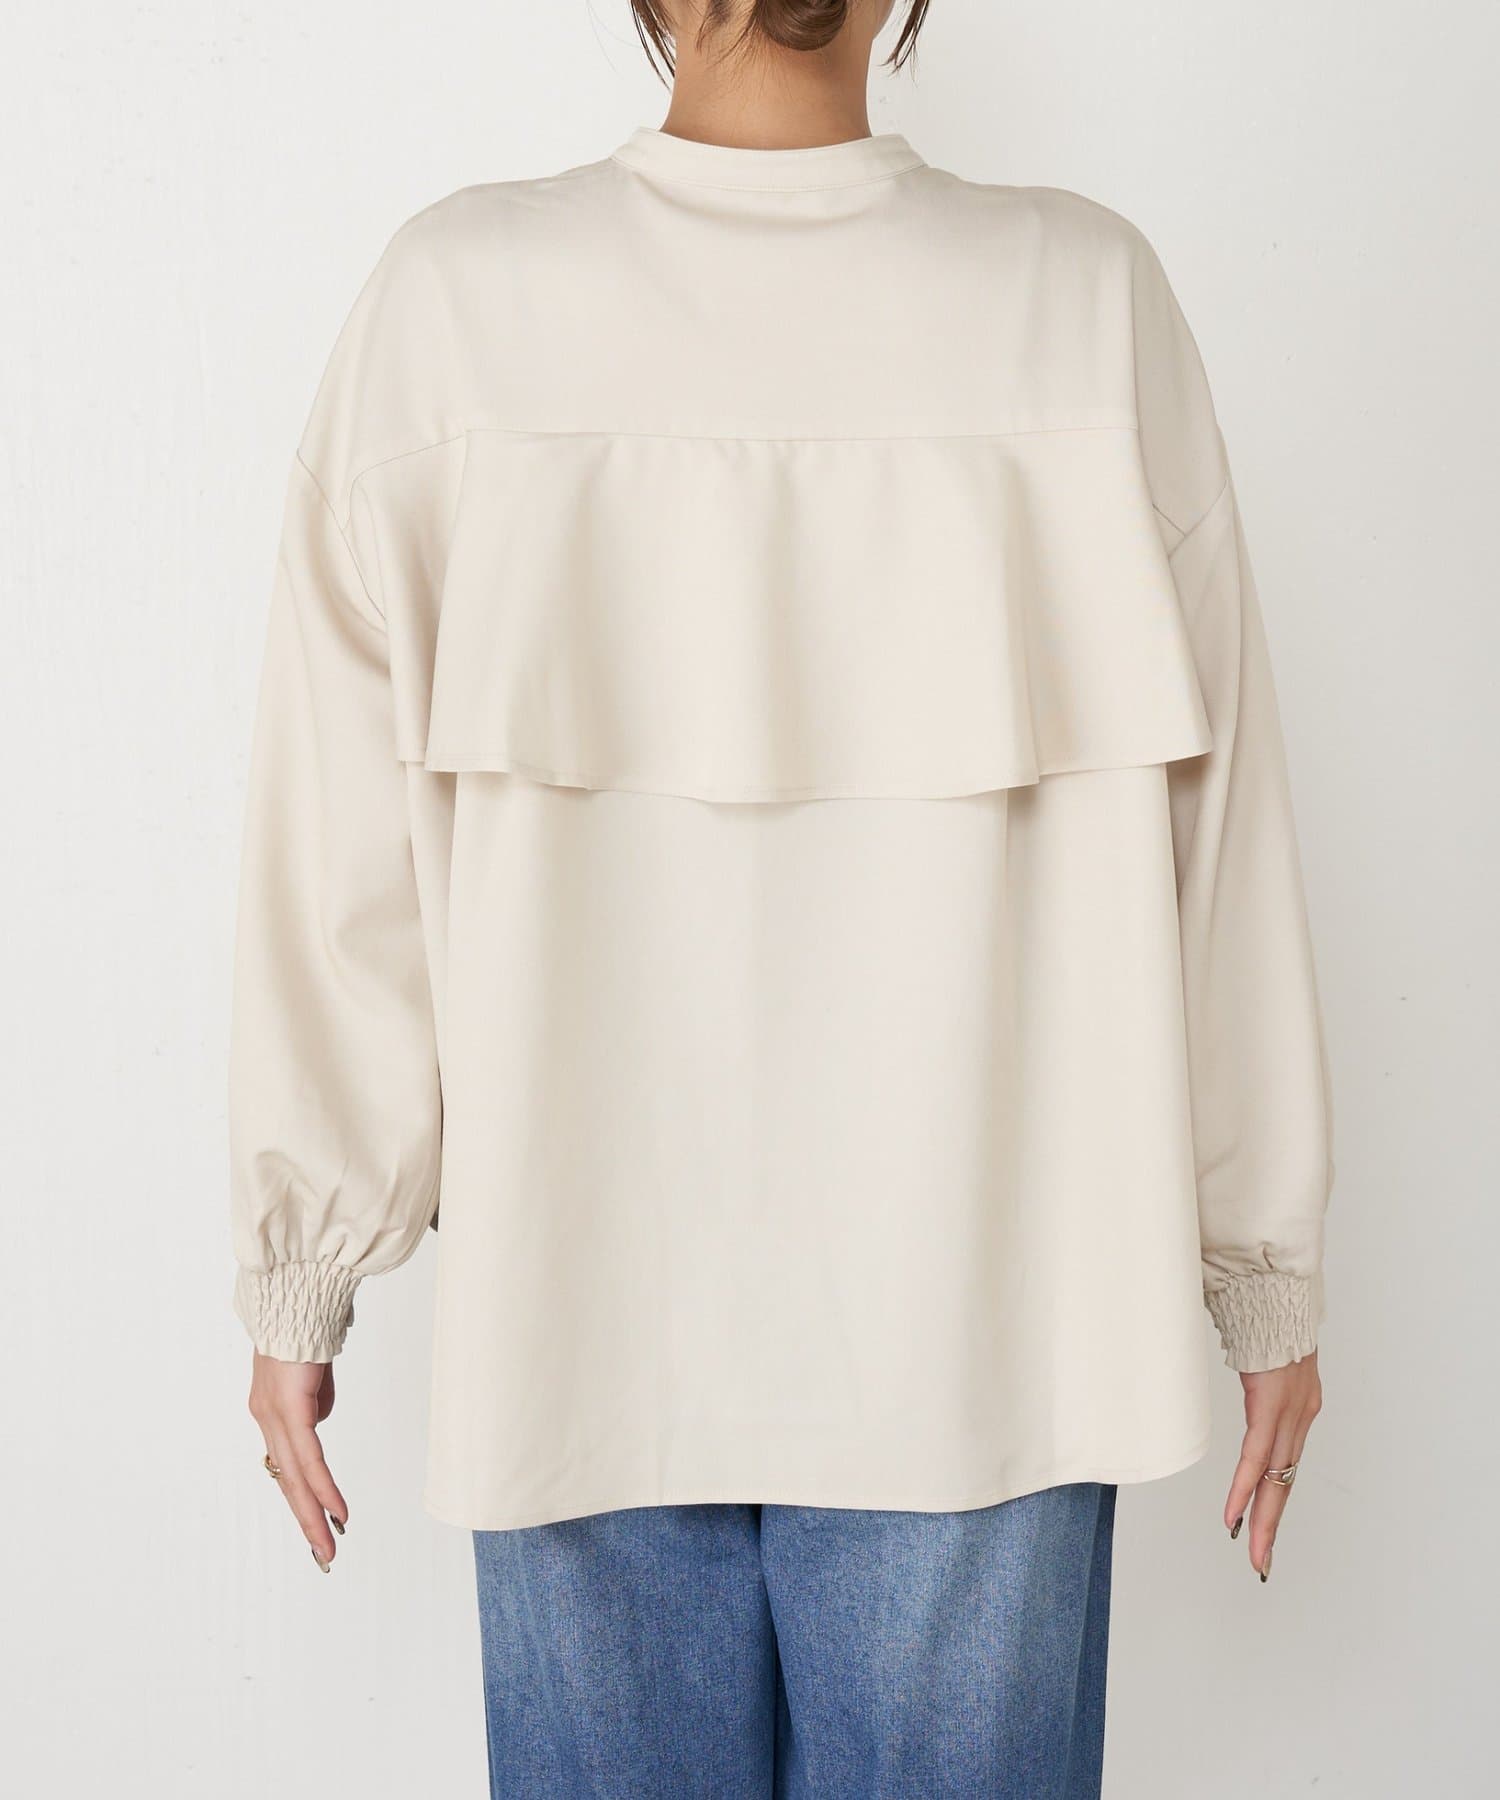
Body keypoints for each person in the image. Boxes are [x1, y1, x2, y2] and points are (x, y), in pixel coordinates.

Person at [230, 2, 1333, 1792]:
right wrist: (1261, 1266)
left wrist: (304, 1263)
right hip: (987, 1334)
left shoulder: (453, 311)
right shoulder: (1081, 305)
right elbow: (1229, 843)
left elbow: (336, 858)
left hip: (579, 1321)